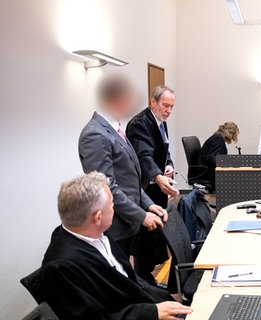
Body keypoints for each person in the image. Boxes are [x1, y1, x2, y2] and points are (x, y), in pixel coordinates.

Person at [39, 172, 194, 320]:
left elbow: (127, 278)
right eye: (112, 205)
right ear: (98, 217)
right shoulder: (60, 269)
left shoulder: (94, 231)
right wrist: (151, 313)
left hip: (143, 302)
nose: (114, 208)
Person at [78, 74, 168, 285]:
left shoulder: (115, 129)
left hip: (126, 220)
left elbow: (131, 177)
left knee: (129, 276)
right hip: (114, 224)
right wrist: (141, 215)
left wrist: (149, 204)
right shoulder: (95, 134)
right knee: (118, 281)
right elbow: (107, 188)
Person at [126, 85, 178, 284]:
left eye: (172, 107)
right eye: (165, 105)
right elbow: (143, 156)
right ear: (153, 102)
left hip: (156, 188)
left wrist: (169, 166)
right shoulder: (140, 123)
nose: (169, 111)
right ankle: (143, 281)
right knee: (144, 240)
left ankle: (149, 279)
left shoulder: (161, 122)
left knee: (155, 235)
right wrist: (157, 175)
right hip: (144, 190)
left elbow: (165, 151)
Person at [201, 122, 239, 191]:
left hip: (207, 171)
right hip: (208, 173)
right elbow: (213, 160)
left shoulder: (217, 137)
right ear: (230, 133)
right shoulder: (218, 139)